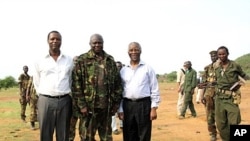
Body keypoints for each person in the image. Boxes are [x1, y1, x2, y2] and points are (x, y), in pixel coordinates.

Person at [71, 33, 123, 141]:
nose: (97, 45)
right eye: (94, 43)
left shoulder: (110, 60)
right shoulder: (83, 60)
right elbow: (76, 84)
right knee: (87, 137)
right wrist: (82, 105)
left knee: (107, 138)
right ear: (90, 44)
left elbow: (118, 83)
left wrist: (116, 103)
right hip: (89, 109)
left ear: (103, 44)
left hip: (106, 108)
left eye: (100, 43)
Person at [33, 30, 74, 141]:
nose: (55, 41)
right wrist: (44, 96)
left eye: (58, 39)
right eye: (52, 39)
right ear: (48, 41)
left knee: (63, 134)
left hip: (65, 101)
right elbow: (36, 81)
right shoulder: (40, 60)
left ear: (61, 41)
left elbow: (71, 80)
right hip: (45, 101)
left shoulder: (69, 60)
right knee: (45, 134)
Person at [118, 42, 161, 141]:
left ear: (140, 51)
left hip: (144, 105)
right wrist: (120, 110)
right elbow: (120, 92)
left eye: (136, 50)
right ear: (128, 52)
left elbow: (154, 89)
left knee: (144, 134)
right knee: (129, 134)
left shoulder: (148, 68)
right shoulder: (123, 70)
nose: (134, 52)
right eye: (131, 50)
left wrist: (153, 108)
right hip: (127, 105)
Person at [214, 46, 249, 141]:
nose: (222, 56)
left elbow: (244, 75)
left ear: (227, 54)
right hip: (219, 99)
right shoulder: (216, 67)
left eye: (223, 54)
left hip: (231, 98)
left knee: (234, 122)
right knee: (221, 124)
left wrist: (242, 82)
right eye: (219, 54)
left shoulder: (234, 65)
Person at [198, 50, 218, 141]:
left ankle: (225, 132)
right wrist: (201, 96)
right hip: (209, 95)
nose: (213, 57)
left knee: (222, 116)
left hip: (220, 96)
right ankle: (212, 134)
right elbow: (203, 84)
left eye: (215, 55)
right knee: (209, 116)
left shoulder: (223, 67)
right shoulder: (207, 68)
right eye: (212, 56)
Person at [69, 56, 86, 141]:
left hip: (82, 104)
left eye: (77, 61)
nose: (76, 62)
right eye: (74, 61)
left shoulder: (83, 73)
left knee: (84, 128)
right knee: (70, 128)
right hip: (71, 105)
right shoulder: (68, 73)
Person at [111, 61, 123, 135]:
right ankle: (114, 128)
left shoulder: (124, 75)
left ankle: (122, 125)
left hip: (122, 98)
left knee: (122, 112)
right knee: (113, 114)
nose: (118, 68)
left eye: (119, 66)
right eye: (117, 66)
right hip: (113, 98)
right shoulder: (111, 76)